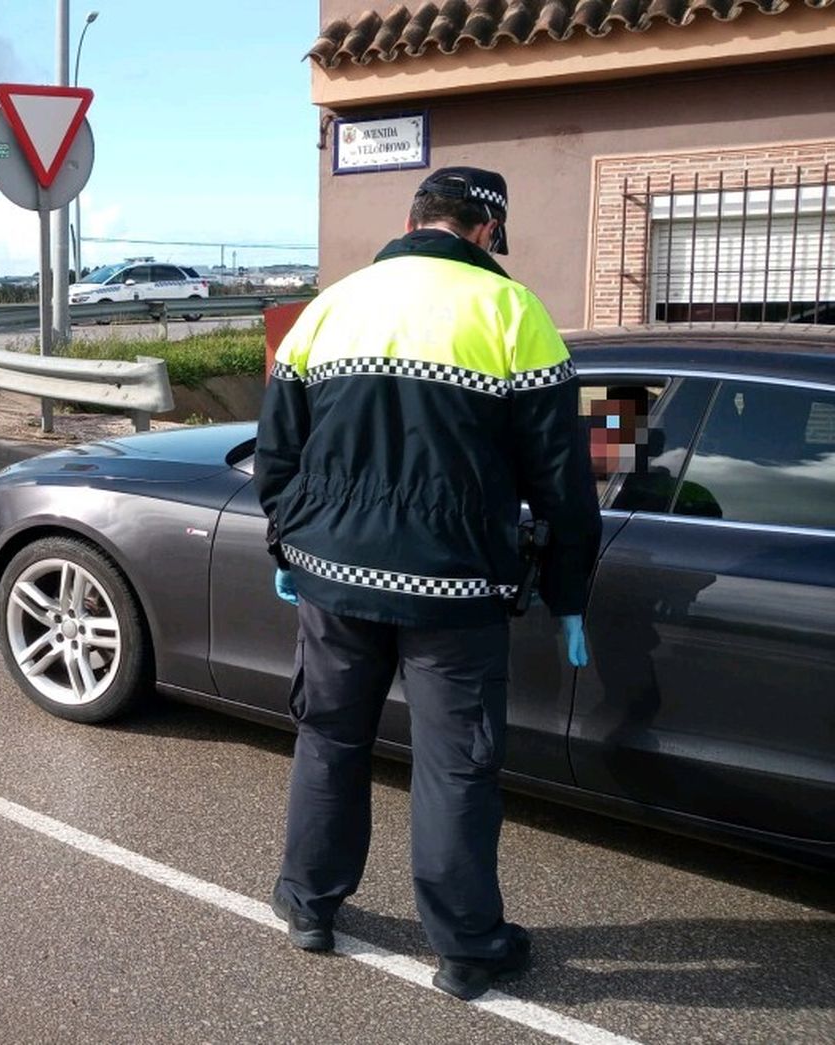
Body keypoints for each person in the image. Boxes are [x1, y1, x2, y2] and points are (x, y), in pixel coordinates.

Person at [255, 168, 600, 1000]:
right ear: (485, 233)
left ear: (412, 220)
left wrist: (289, 545)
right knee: (455, 767)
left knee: (330, 740)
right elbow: (562, 478)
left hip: (334, 578)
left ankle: (309, 906)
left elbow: (278, 452)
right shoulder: (514, 314)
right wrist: (569, 590)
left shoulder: (330, 307)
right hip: (457, 588)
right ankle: (466, 948)